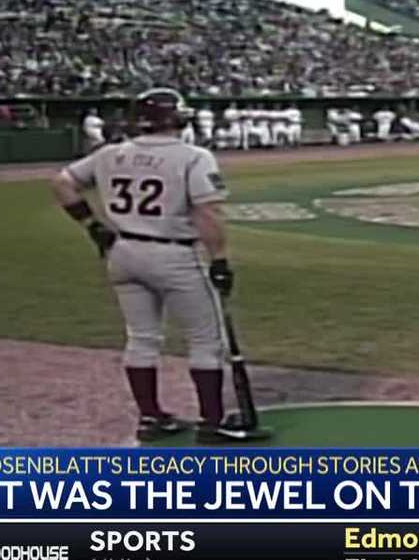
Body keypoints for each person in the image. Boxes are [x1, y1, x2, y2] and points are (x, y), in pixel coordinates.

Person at [48, 87, 271, 444]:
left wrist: (92, 225)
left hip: (123, 252)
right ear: (177, 118)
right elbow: (208, 212)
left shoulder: (110, 153)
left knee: (141, 338)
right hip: (174, 255)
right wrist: (220, 259)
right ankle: (212, 422)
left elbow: (63, 183)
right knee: (205, 340)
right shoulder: (194, 156)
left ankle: (151, 418)